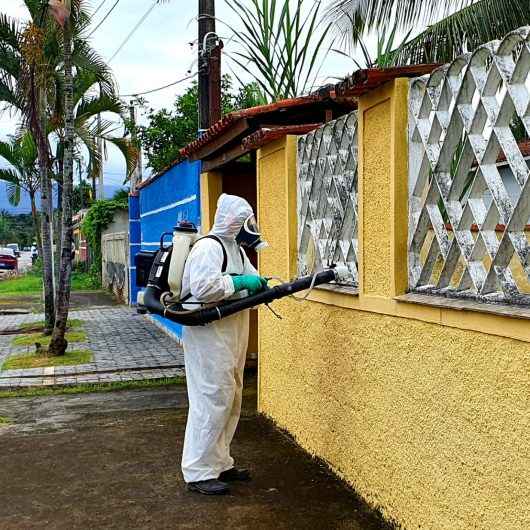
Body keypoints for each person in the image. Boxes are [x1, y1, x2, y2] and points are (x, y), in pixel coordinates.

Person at [180, 193, 268, 495]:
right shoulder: (208, 247)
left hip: (231, 330)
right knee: (211, 398)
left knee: (231, 396)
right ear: (232, 221)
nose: (249, 227)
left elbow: (253, 280)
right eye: (245, 221)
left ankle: (220, 463)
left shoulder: (237, 250)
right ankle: (198, 471)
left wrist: (262, 285)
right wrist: (240, 284)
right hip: (208, 333)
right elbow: (204, 287)